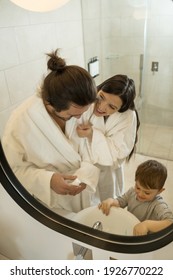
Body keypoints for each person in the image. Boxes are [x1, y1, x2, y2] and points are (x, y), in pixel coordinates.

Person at [2, 49, 100, 213]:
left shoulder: (79, 106)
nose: (79, 118)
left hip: (82, 191)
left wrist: (85, 177)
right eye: (71, 115)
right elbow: (12, 171)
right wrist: (48, 181)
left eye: (82, 113)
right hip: (52, 202)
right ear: (51, 104)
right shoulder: (20, 122)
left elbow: (89, 148)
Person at [76, 74, 140, 202]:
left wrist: (91, 134)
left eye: (112, 107)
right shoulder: (87, 99)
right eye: (101, 97)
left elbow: (118, 153)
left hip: (108, 173)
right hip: (81, 166)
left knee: (106, 205)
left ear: (121, 109)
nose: (101, 107)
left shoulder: (128, 116)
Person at [99, 160, 173, 236]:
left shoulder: (158, 205)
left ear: (159, 191)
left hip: (144, 239)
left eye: (147, 192)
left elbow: (170, 222)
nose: (140, 194)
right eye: (138, 187)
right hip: (130, 229)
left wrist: (147, 225)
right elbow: (120, 202)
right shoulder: (132, 192)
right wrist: (111, 201)